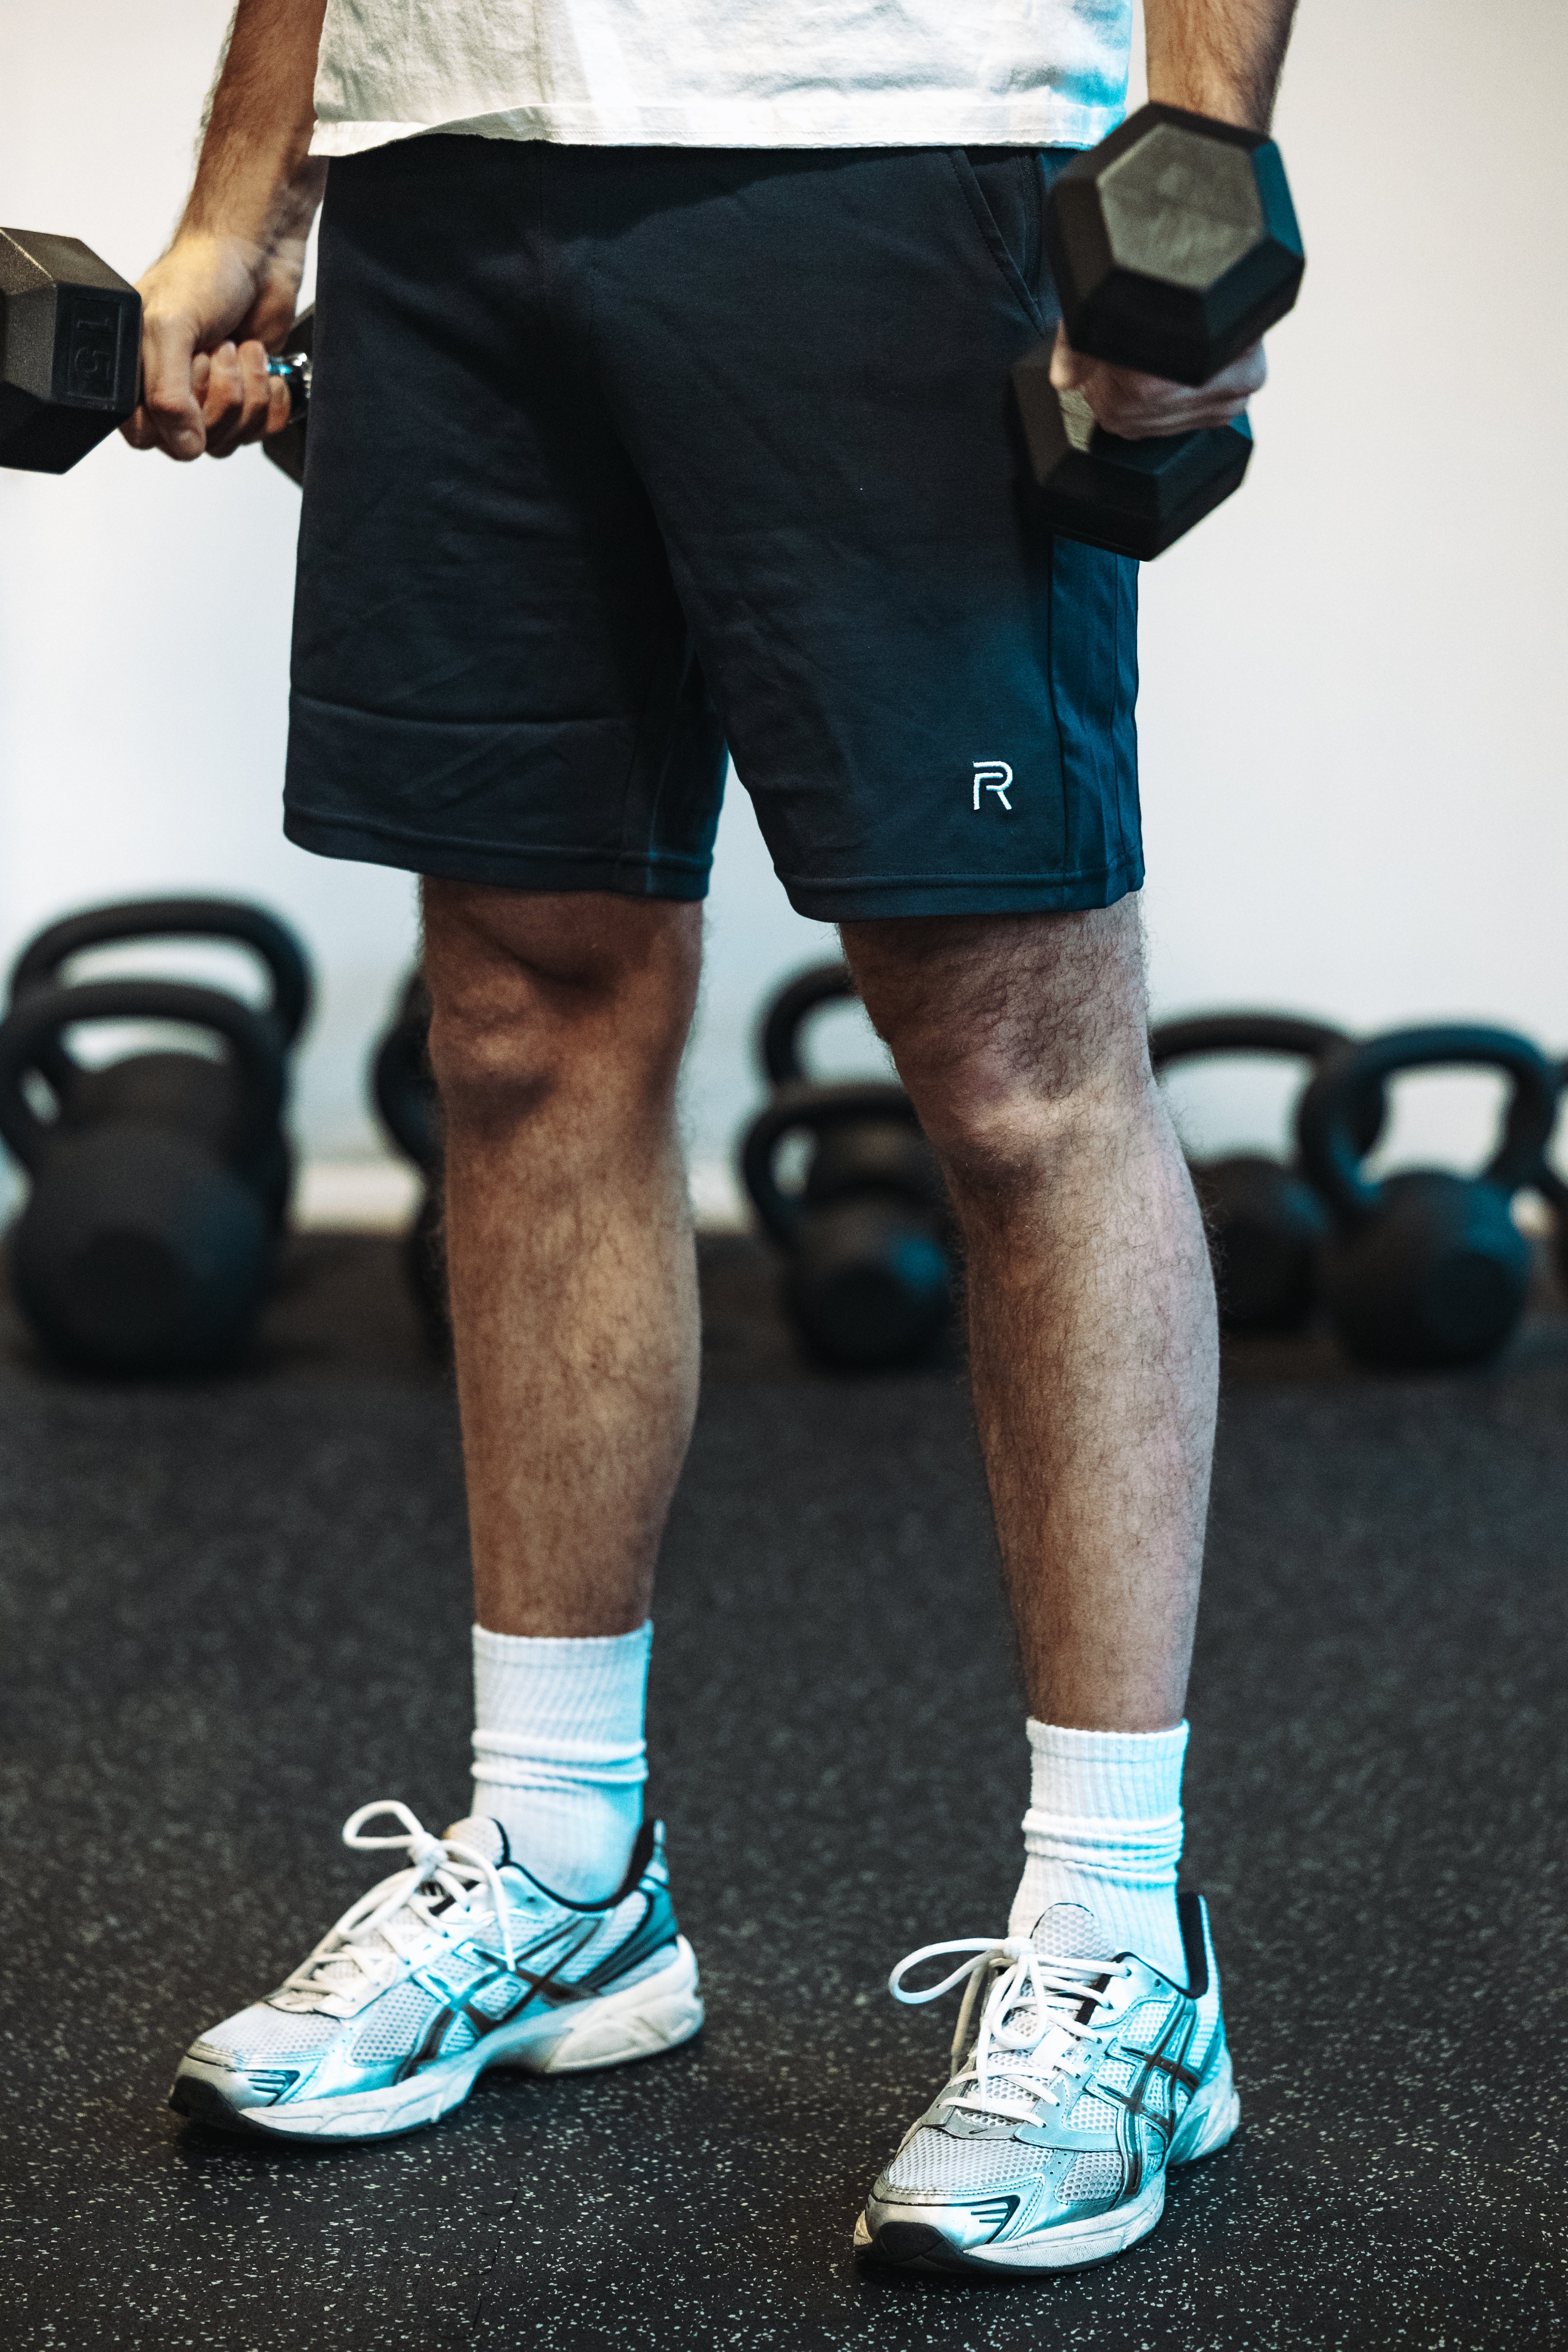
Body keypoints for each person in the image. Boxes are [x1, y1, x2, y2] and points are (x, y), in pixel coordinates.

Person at [126, 0, 1295, 2274]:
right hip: (448, 164)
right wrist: (248, 190)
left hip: (893, 145)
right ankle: (566, 1872)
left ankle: (1124, 1956)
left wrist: (1196, 161)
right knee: (523, 1021)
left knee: (1012, 1056)